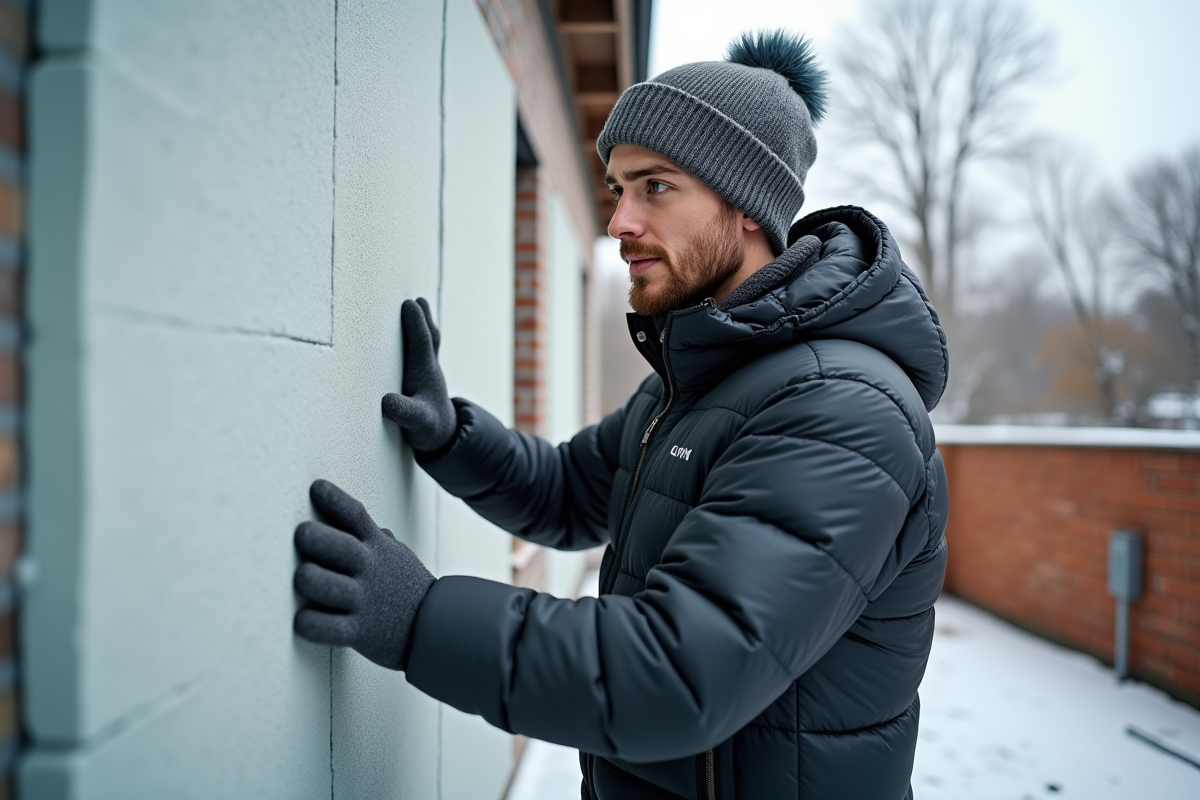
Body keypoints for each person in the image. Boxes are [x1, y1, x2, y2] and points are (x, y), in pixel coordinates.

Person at [292, 30, 949, 800]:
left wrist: (422, 620)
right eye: (616, 189)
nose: (619, 222)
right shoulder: (701, 376)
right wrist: (453, 437)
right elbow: (573, 490)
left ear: (745, 204)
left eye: (656, 187)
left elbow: (676, 675)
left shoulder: (842, 410)